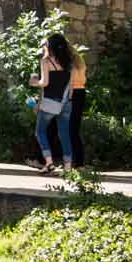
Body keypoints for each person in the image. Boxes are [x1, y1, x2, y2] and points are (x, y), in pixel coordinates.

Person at [32, 33, 78, 172]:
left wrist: (34, 82)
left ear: (50, 46)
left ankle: (49, 163)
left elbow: (44, 83)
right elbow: (71, 87)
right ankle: (68, 167)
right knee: (64, 134)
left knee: (40, 132)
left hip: (50, 102)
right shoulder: (69, 62)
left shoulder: (46, 61)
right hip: (66, 103)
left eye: (46, 44)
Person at [67, 44, 89, 169]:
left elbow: (69, 83)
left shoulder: (70, 65)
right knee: (75, 129)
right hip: (81, 92)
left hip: (73, 94)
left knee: (70, 130)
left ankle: (73, 162)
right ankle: (79, 162)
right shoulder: (80, 63)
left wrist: (68, 98)